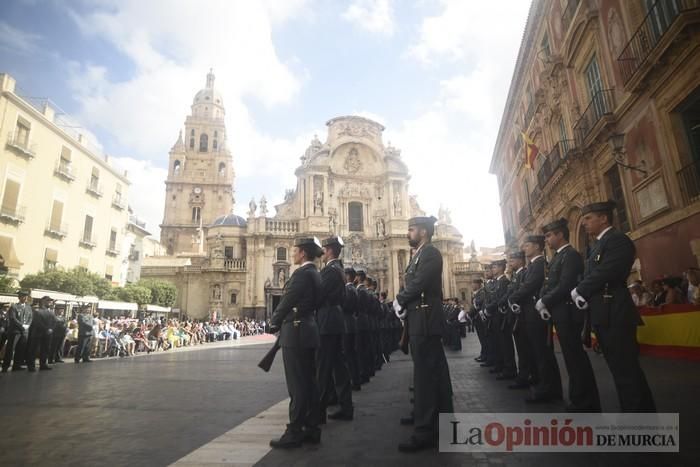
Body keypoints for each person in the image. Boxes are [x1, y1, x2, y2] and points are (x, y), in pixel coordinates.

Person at [571, 200, 656, 412]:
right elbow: (591, 273)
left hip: (616, 311)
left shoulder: (617, 240)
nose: (584, 224)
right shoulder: (597, 245)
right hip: (604, 313)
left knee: (627, 372)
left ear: (604, 218)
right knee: (619, 372)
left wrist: (580, 289)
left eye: (588, 218)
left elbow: (607, 271)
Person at [393, 216, 453, 452]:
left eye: (412, 229)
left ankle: (425, 430)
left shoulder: (430, 254)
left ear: (424, 233)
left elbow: (418, 282)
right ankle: (436, 419)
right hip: (420, 319)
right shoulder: (418, 254)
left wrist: (400, 299)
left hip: (426, 320)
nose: (408, 233)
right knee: (432, 373)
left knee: (426, 376)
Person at [539, 218, 601, 412]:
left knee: (576, 358)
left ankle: (586, 401)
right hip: (560, 313)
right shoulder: (558, 257)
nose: (547, 240)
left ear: (560, 235)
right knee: (570, 358)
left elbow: (565, 285)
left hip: (568, 313)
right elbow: (551, 283)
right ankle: (578, 398)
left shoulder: (570, 255)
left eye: (549, 235)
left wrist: (545, 301)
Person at [269, 237, 323, 449]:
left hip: (296, 331)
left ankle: (294, 431)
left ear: (302, 253)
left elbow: (287, 301)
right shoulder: (316, 274)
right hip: (309, 328)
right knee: (309, 382)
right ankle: (311, 428)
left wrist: (274, 321)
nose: (292, 254)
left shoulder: (301, 274)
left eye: (295, 251)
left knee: (297, 384)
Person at [510, 235, 562, 403]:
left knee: (543, 354)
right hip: (529, 314)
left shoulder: (539, 265)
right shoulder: (532, 265)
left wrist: (512, 298)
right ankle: (544, 385)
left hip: (536, 315)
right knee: (537, 353)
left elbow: (529, 286)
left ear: (538, 247)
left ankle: (549, 388)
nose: (524, 248)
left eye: (528, 245)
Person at [316, 235, 353, 422]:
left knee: (323, 368)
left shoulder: (331, 270)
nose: (321, 253)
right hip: (335, 320)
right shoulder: (338, 269)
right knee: (339, 366)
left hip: (328, 321)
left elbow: (319, 294)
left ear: (329, 250)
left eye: (323, 250)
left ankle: (318, 412)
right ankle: (346, 407)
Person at [502, 250, 532, 386]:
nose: (510, 263)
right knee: (521, 349)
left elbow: (518, 293)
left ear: (520, 260)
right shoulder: (515, 276)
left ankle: (525, 376)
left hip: (522, 317)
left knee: (525, 350)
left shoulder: (524, 274)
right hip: (515, 317)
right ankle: (523, 375)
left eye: (512, 260)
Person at [3, 290, 32, 372]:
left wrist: (27, 325)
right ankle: (6, 366)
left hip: (24, 331)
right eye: (23, 296)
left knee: (21, 349)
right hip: (15, 331)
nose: (25, 298)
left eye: (26, 296)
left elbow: (30, 318)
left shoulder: (28, 307)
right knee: (10, 349)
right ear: (19, 297)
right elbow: (13, 318)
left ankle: (17, 365)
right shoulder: (14, 307)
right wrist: (21, 325)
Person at [343, 267, 361, 390]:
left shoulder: (348, 289)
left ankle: (353, 381)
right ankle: (356, 380)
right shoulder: (354, 289)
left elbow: (344, 305)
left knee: (348, 355)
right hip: (352, 323)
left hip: (346, 324)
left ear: (348, 276)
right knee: (352, 354)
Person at [26, 296, 56, 371]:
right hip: (38, 334)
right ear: (43, 301)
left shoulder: (51, 312)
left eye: (50, 301)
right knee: (34, 350)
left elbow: (55, 322)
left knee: (45, 349)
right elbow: (37, 322)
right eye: (48, 301)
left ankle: (43, 364)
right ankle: (31, 366)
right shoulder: (37, 311)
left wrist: (51, 329)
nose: (50, 302)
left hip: (48, 334)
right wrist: (47, 329)